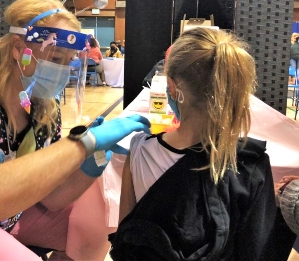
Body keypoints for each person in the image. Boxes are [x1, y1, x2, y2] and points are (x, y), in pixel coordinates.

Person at [0, 0, 151, 260]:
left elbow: (51, 198)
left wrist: (91, 164)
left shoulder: (40, 103)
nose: (63, 70)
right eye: (56, 57)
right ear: (18, 48)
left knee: (98, 216)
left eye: (69, 60)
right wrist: (83, 143)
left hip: (7, 217)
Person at [109, 28, 294, 260]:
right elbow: (256, 250)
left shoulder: (139, 149)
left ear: (172, 87)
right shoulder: (250, 164)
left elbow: (126, 235)